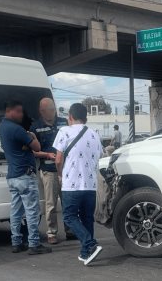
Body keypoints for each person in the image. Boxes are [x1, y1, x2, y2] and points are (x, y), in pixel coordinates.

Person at [0, 100, 52, 255]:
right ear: (10, 111)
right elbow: (37, 147)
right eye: (19, 112)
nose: (22, 115)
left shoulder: (2, 127)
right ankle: (34, 244)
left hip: (13, 176)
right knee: (32, 211)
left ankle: (16, 242)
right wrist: (32, 135)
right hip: (25, 175)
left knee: (15, 210)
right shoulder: (17, 129)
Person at [54, 103, 104, 266]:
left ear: (70, 116)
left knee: (69, 217)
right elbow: (99, 156)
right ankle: (85, 254)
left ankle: (90, 244)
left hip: (72, 184)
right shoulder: (94, 134)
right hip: (90, 185)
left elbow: (59, 159)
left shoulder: (64, 131)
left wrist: (60, 174)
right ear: (86, 118)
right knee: (86, 218)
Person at [30, 97, 75, 244]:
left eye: (54, 109)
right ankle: (51, 233)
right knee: (51, 204)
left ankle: (70, 230)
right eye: (49, 110)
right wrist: (47, 154)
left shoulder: (64, 122)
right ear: (42, 111)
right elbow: (33, 152)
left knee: (68, 202)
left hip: (66, 170)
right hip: (49, 170)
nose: (53, 113)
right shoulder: (35, 127)